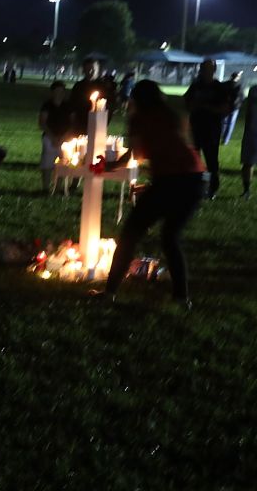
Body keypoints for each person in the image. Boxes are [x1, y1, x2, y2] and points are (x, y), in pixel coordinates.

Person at [92, 81, 206, 307]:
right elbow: (180, 148)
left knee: (130, 236)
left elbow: (135, 155)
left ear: (136, 99)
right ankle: (182, 298)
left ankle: (109, 292)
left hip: (169, 182)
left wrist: (108, 166)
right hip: (194, 181)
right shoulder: (173, 115)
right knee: (170, 238)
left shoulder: (138, 119)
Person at [183, 58, 229, 199]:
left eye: (208, 68)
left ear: (214, 70)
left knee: (211, 161)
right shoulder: (196, 86)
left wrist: (208, 108)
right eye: (203, 68)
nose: (205, 71)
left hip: (211, 130)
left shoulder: (219, 88)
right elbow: (186, 102)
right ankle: (193, 187)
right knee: (193, 159)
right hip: (196, 128)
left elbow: (225, 108)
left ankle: (212, 189)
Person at [39, 81, 70, 194]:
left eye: (61, 91)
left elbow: (72, 124)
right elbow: (42, 122)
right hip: (49, 137)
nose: (59, 94)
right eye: (56, 91)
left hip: (65, 139)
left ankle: (58, 187)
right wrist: (52, 137)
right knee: (47, 162)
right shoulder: (47, 105)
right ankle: (46, 187)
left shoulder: (67, 106)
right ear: (52, 92)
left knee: (63, 162)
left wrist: (62, 138)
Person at [242, 85, 257, 199]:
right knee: (248, 162)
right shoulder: (253, 90)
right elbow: (248, 111)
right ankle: (246, 190)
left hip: (251, 131)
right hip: (252, 131)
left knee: (248, 162)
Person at [222, 71, 244, 146]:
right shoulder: (239, 86)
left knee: (225, 123)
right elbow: (241, 97)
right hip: (234, 107)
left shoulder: (225, 84)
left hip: (228, 106)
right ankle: (225, 140)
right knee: (230, 123)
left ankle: (224, 138)